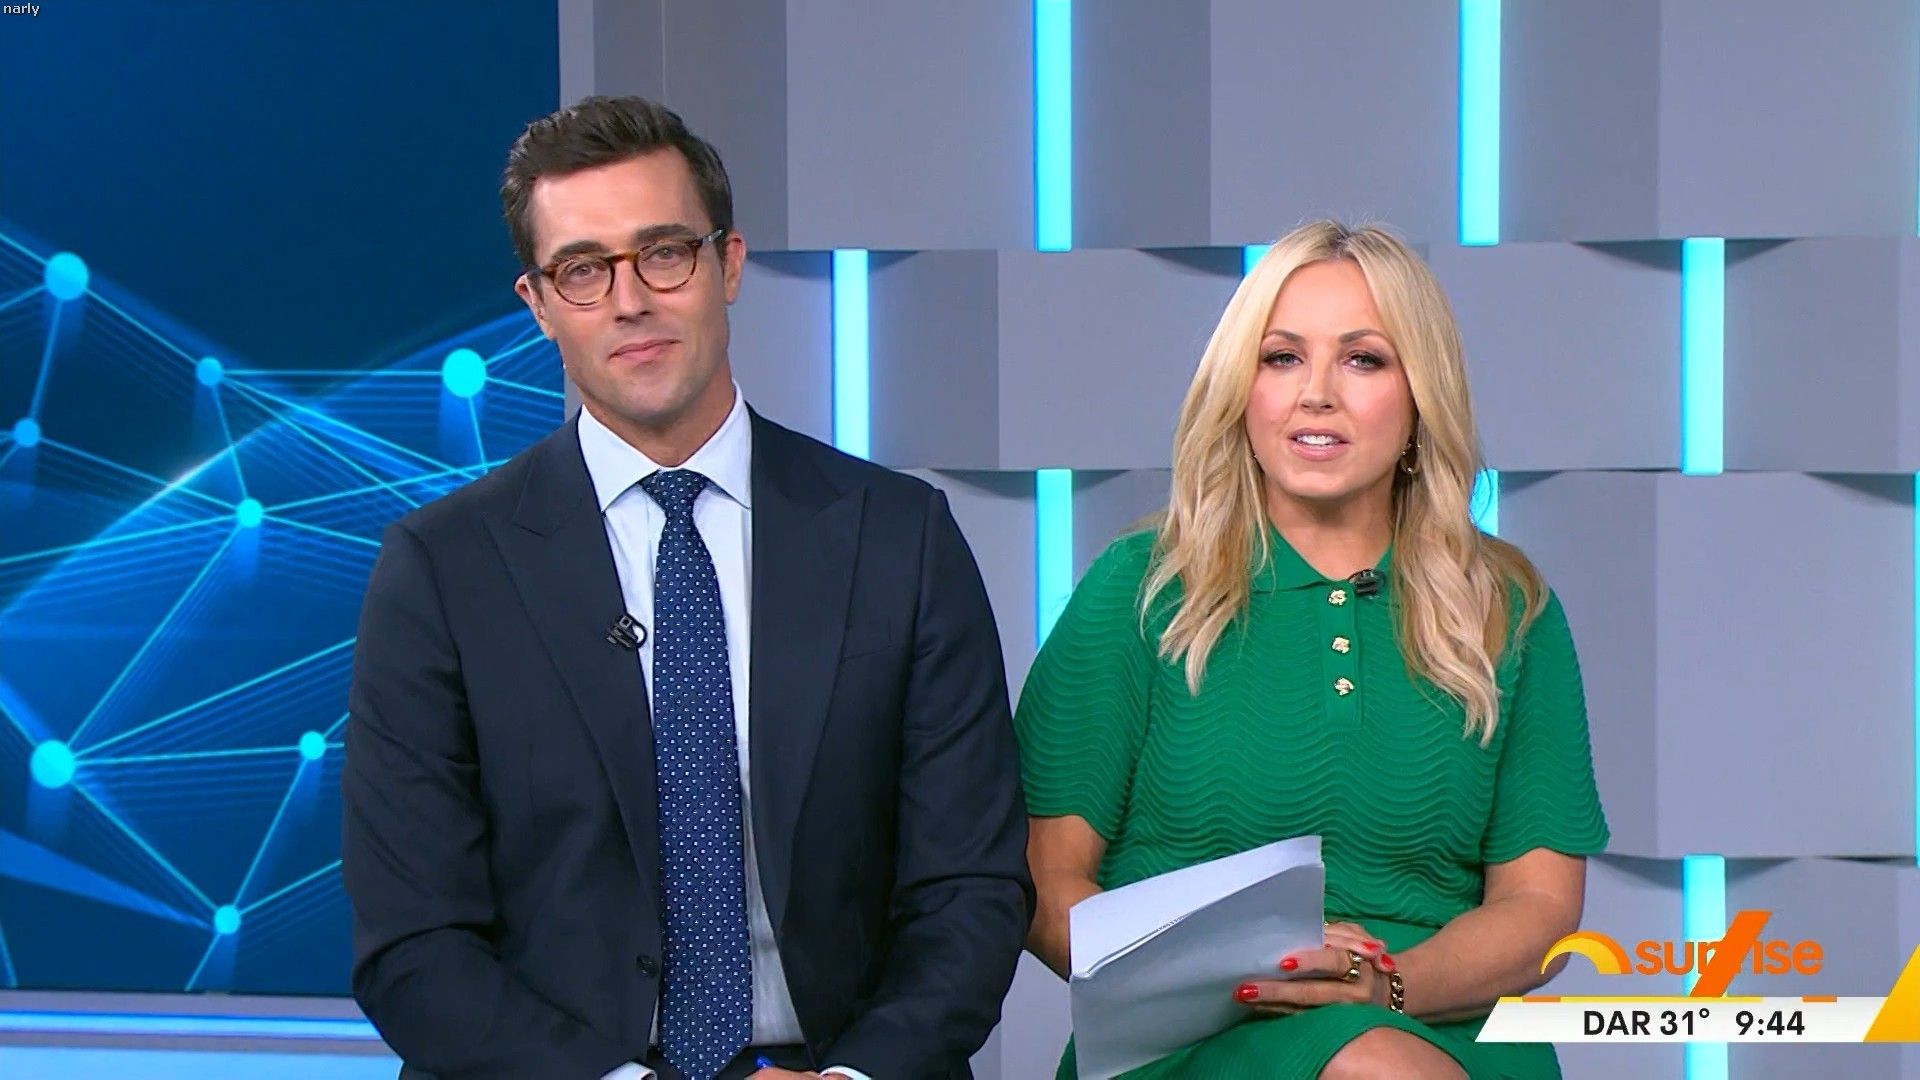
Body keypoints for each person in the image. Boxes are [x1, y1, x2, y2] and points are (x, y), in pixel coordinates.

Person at [342, 95, 1031, 1080]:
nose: (630, 300)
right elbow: (416, 944)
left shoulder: (898, 537)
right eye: (583, 270)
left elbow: (969, 889)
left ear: (728, 264)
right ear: (538, 305)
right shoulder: (442, 571)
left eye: (664, 253)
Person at [1015, 221, 1609, 1078]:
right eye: (1282, 357)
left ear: (1420, 398)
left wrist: (1388, 987)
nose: (1316, 394)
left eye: (1363, 359)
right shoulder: (1139, 589)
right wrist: (1238, 968)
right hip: (1197, 1032)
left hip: (1438, 1017)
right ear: (1240, 389)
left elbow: (1540, 908)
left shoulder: (1507, 610)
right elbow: (1042, 885)